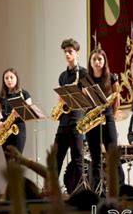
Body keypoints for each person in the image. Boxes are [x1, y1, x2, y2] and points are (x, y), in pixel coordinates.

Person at [85, 48, 124, 190]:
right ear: (90, 62)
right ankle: (96, 189)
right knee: (95, 158)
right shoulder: (85, 80)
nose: (97, 62)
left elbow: (116, 100)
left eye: (100, 59)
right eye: (94, 59)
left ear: (104, 61)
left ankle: (121, 187)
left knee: (112, 155)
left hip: (107, 117)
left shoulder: (112, 77)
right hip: (91, 118)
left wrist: (111, 117)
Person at [53, 38, 88, 194]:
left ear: (77, 53)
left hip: (77, 119)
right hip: (64, 119)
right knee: (56, 156)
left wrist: (77, 92)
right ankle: (52, 190)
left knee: (77, 157)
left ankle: (80, 191)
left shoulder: (84, 73)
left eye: (70, 51)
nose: (67, 54)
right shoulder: (62, 76)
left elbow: (87, 97)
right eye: (65, 52)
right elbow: (60, 98)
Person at [0, 68, 32, 162]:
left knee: (17, 160)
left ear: (17, 78)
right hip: (5, 129)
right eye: (6, 78)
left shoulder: (24, 93)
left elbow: (30, 111)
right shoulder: (0, 96)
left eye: (11, 77)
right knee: (8, 162)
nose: (9, 80)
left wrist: (20, 111)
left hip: (18, 129)